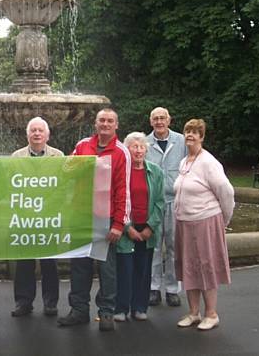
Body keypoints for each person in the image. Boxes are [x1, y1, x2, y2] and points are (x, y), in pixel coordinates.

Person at [57, 108, 130, 332]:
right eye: (101, 120)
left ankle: (106, 312)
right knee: (79, 265)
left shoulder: (121, 151)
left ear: (116, 125)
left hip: (105, 219)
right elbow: (65, 170)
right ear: (95, 123)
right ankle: (78, 310)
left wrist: (118, 225)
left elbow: (123, 191)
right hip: (82, 216)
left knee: (107, 269)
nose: (105, 124)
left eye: (110, 121)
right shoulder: (82, 145)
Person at [174, 119, 234, 331]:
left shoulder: (209, 162)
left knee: (206, 268)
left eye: (194, 132)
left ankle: (211, 314)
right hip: (185, 222)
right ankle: (193, 313)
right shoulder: (185, 161)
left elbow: (226, 192)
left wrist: (223, 220)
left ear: (202, 136)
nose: (190, 135)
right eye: (187, 131)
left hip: (205, 221)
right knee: (189, 267)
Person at [10, 116, 63, 318]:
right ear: (27, 134)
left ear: (47, 135)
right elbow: (11, 184)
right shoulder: (16, 157)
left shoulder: (58, 156)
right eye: (33, 130)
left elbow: (62, 185)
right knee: (24, 262)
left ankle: (50, 302)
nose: (37, 134)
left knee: (50, 262)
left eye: (41, 130)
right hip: (25, 217)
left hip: (49, 217)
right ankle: (23, 302)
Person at [114, 132, 164, 322]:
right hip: (126, 227)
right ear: (127, 150)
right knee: (124, 270)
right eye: (134, 146)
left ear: (146, 149)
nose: (138, 150)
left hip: (147, 229)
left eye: (141, 146)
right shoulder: (121, 172)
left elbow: (160, 202)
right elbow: (116, 200)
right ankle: (121, 308)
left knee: (143, 270)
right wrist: (127, 227)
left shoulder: (156, 172)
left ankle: (140, 307)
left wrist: (150, 227)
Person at [146, 107, 187, 307]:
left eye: (163, 118)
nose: (159, 121)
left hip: (175, 201)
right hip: (153, 203)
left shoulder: (181, 141)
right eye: (156, 119)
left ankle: (172, 289)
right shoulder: (144, 143)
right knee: (153, 246)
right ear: (150, 122)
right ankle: (153, 288)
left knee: (173, 247)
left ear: (169, 120)